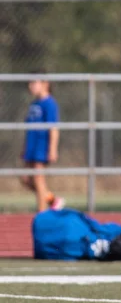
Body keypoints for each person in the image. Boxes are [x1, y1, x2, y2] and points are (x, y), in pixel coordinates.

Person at [21, 74, 64, 212]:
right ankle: (52, 200)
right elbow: (28, 128)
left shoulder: (49, 103)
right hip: (31, 147)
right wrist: (24, 147)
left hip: (42, 146)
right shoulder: (34, 104)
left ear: (45, 84)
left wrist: (52, 149)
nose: (31, 86)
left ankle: (42, 213)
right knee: (26, 179)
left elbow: (53, 128)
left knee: (39, 179)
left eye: (34, 83)